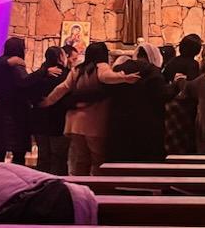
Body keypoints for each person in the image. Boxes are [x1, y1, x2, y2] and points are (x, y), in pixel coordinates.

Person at [41, 42, 140, 175]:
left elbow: (62, 88)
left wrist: (48, 101)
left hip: (75, 123)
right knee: (98, 159)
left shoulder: (77, 70)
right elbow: (106, 77)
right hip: (94, 121)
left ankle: (80, 189)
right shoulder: (101, 67)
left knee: (81, 160)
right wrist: (123, 78)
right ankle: (97, 190)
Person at [107, 43, 174, 162]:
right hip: (147, 125)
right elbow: (162, 95)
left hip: (121, 123)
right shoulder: (153, 71)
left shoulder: (119, 68)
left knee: (121, 165)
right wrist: (176, 86)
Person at [24, 47, 70, 175]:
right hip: (59, 121)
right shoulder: (66, 74)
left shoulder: (39, 74)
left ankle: (41, 186)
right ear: (61, 58)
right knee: (58, 158)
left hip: (40, 121)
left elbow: (27, 90)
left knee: (43, 157)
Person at [0, 38, 32, 164]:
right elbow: (26, 84)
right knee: (17, 154)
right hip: (15, 112)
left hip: (0, 111)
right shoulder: (15, 65)